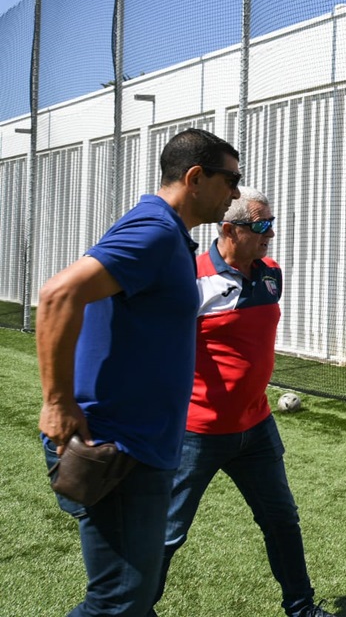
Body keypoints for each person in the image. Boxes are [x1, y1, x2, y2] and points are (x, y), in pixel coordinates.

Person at [38, 127, 240, 616]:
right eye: (230, 179)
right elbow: (59, 294)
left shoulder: (168, 234)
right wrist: (58, 402)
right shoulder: (152, 230)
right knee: (120, 601)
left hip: (144, 443)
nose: (236, 193)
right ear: (195, 177)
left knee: (136, 597)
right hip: (120, 445)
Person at [150, 187, 334, 617]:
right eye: (261, 226)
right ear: (229, 229)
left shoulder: (271, 272)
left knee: (282, 520)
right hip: (199, 432)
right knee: (168, 533)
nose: (270, 234)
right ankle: (134, 607)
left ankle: (301, 607)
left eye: (272, 223)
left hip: (257, 427)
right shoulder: (190, 278)